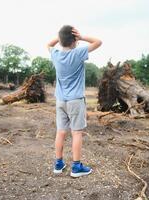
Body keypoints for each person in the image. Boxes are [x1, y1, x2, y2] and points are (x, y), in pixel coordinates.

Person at [47, 25, 102, 177]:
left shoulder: (56, 54)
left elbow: (48, 45)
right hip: (75, 101)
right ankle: (76, 167)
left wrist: (61, 37)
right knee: (76, 133)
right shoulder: (78, 53)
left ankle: (58, 164)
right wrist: (81, 36)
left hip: (60, 101)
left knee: (61, 132)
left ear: (62, 40)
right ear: (74, 40)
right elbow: (98, 42)